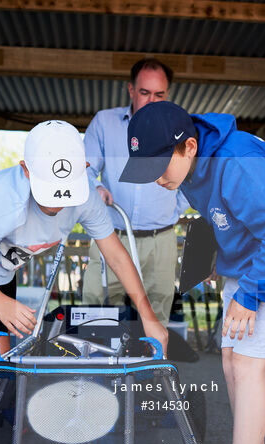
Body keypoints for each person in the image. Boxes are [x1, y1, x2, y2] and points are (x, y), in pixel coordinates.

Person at [0, 120, 168, 444]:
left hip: (2, 269)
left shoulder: (85, 196)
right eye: (48, 194)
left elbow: (115, 255)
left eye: (65, 192)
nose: (56, 205)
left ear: (84, 168)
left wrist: (150, 318)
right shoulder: (3, 201)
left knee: (2, 355)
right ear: (26, 170)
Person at [120, 101, 265, 444]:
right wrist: (216, 259)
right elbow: (225, 216)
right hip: (250, 258)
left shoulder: (237, 161)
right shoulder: (189, 169)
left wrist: (250, 295)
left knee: (247, 365)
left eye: (159, 166)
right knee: (232, 362)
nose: (156, 178)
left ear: (190, 147)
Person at [82, 58, 189, 322]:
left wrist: (174, 209)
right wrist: (95, 186)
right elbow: (83, 169)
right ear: (131, 90)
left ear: (167, 94)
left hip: (160, 241)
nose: (152, 101)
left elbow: (191, 179)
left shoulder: (182, 128)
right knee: (97, 311)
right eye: (144, 93)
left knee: (157, 318)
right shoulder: (104, 123)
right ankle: (98, 363)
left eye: (159, 94)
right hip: (111, 236)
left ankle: (152, 364)